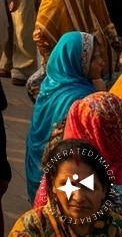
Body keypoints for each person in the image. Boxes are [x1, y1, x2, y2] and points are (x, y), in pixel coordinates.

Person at [25, 30, 100, 193]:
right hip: (65, 183)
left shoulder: (46, 86)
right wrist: (100, 96)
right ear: (77, 61)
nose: (102, 62)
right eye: (95, 58)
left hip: (37, 177)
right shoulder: (81, 98)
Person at [9, 138, 122, 236]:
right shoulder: (31, 228)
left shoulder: (120, 230)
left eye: (89, 187)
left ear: (104, 189)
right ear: (53, 185)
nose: (79, 197)